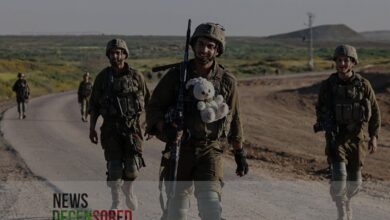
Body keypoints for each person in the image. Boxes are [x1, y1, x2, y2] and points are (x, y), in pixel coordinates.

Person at [146, 22, 249, 220]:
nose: (204, 50)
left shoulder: (227, 81)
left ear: (217, 50)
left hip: (210, 149)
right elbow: (154, 106)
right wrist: (163, 127)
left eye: (210, 46)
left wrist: (239, 152)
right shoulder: (177, 76)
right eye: (201, 44)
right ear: (193, 45)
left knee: (211, 208)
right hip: (179, 149)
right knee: (177, 211)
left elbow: (235, 117)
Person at [315, 44, 381, 220]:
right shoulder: (328, 85)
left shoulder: (363, 85)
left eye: (346, 60)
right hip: (337, 139)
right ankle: (341, 209)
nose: (342, 64)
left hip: (357, 139)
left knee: (355, 182)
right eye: (339, 60)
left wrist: (374, 136)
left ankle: (347, 201)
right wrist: (325, 122)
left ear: (352, 63)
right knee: (339, 178)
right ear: (335, 62)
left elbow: (374, 111)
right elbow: (320, 107)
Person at [88, 38, 150, 210]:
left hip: (132, 129)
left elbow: (150, 103)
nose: (115, 55)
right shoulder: (102, 78)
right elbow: (94, 106)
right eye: (112, 52)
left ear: (124, 54)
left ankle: (128, 189)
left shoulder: (137, 76)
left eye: (118, 52)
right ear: (108, 55)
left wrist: (150, 126)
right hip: (110, 128)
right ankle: (116, 201)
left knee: (132, 169)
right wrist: (92, 128)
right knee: (114, 169)